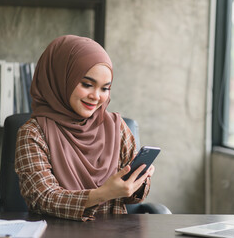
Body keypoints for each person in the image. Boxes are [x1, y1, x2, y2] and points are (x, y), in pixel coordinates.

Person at [15, 35, 154, 221]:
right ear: (61, 79)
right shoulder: (33, 133)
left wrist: (138, 181)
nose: (96, 96)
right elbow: (42, 199)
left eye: (105, 88)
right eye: (87, 84)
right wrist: (102, 194)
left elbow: (130, 198)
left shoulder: (116, 127)